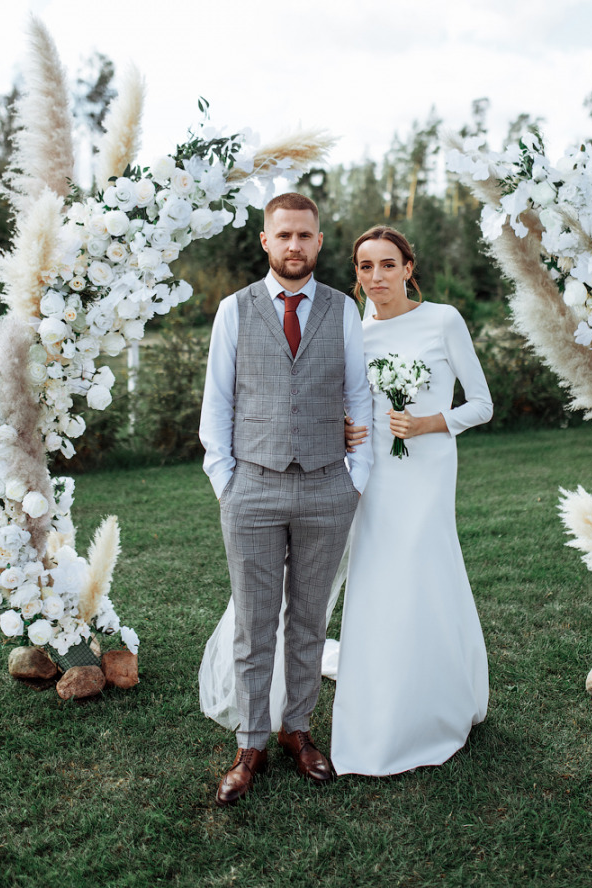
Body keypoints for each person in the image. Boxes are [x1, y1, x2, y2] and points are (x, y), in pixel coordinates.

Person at [199, 193, 373, 806]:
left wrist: (357, 473)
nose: (294, 245)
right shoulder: (233, 311)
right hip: (253, 486)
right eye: (284, 235)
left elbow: (361, 396)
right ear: (266, 242)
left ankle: (298, 730)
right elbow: (217, 403)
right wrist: (227, 479)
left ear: (319, 242)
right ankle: (251, 743)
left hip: (329, 484)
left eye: (305, 235)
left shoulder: (342, 311)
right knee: (254, 621)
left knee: (308, 618)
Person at [330, 225, 493, 776]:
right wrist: (349, 429)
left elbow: (482, 405)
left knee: (424, 571)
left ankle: (437, 698)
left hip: (426, 470)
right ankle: (380, 704)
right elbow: (352, 404)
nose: (376, 277)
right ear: (357, 275)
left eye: (387, 265)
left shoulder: (442, 320)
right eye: (365, 266)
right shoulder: (355, 330)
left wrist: (427, 423)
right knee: (379, 579)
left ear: (407, 269)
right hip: (374, 475)